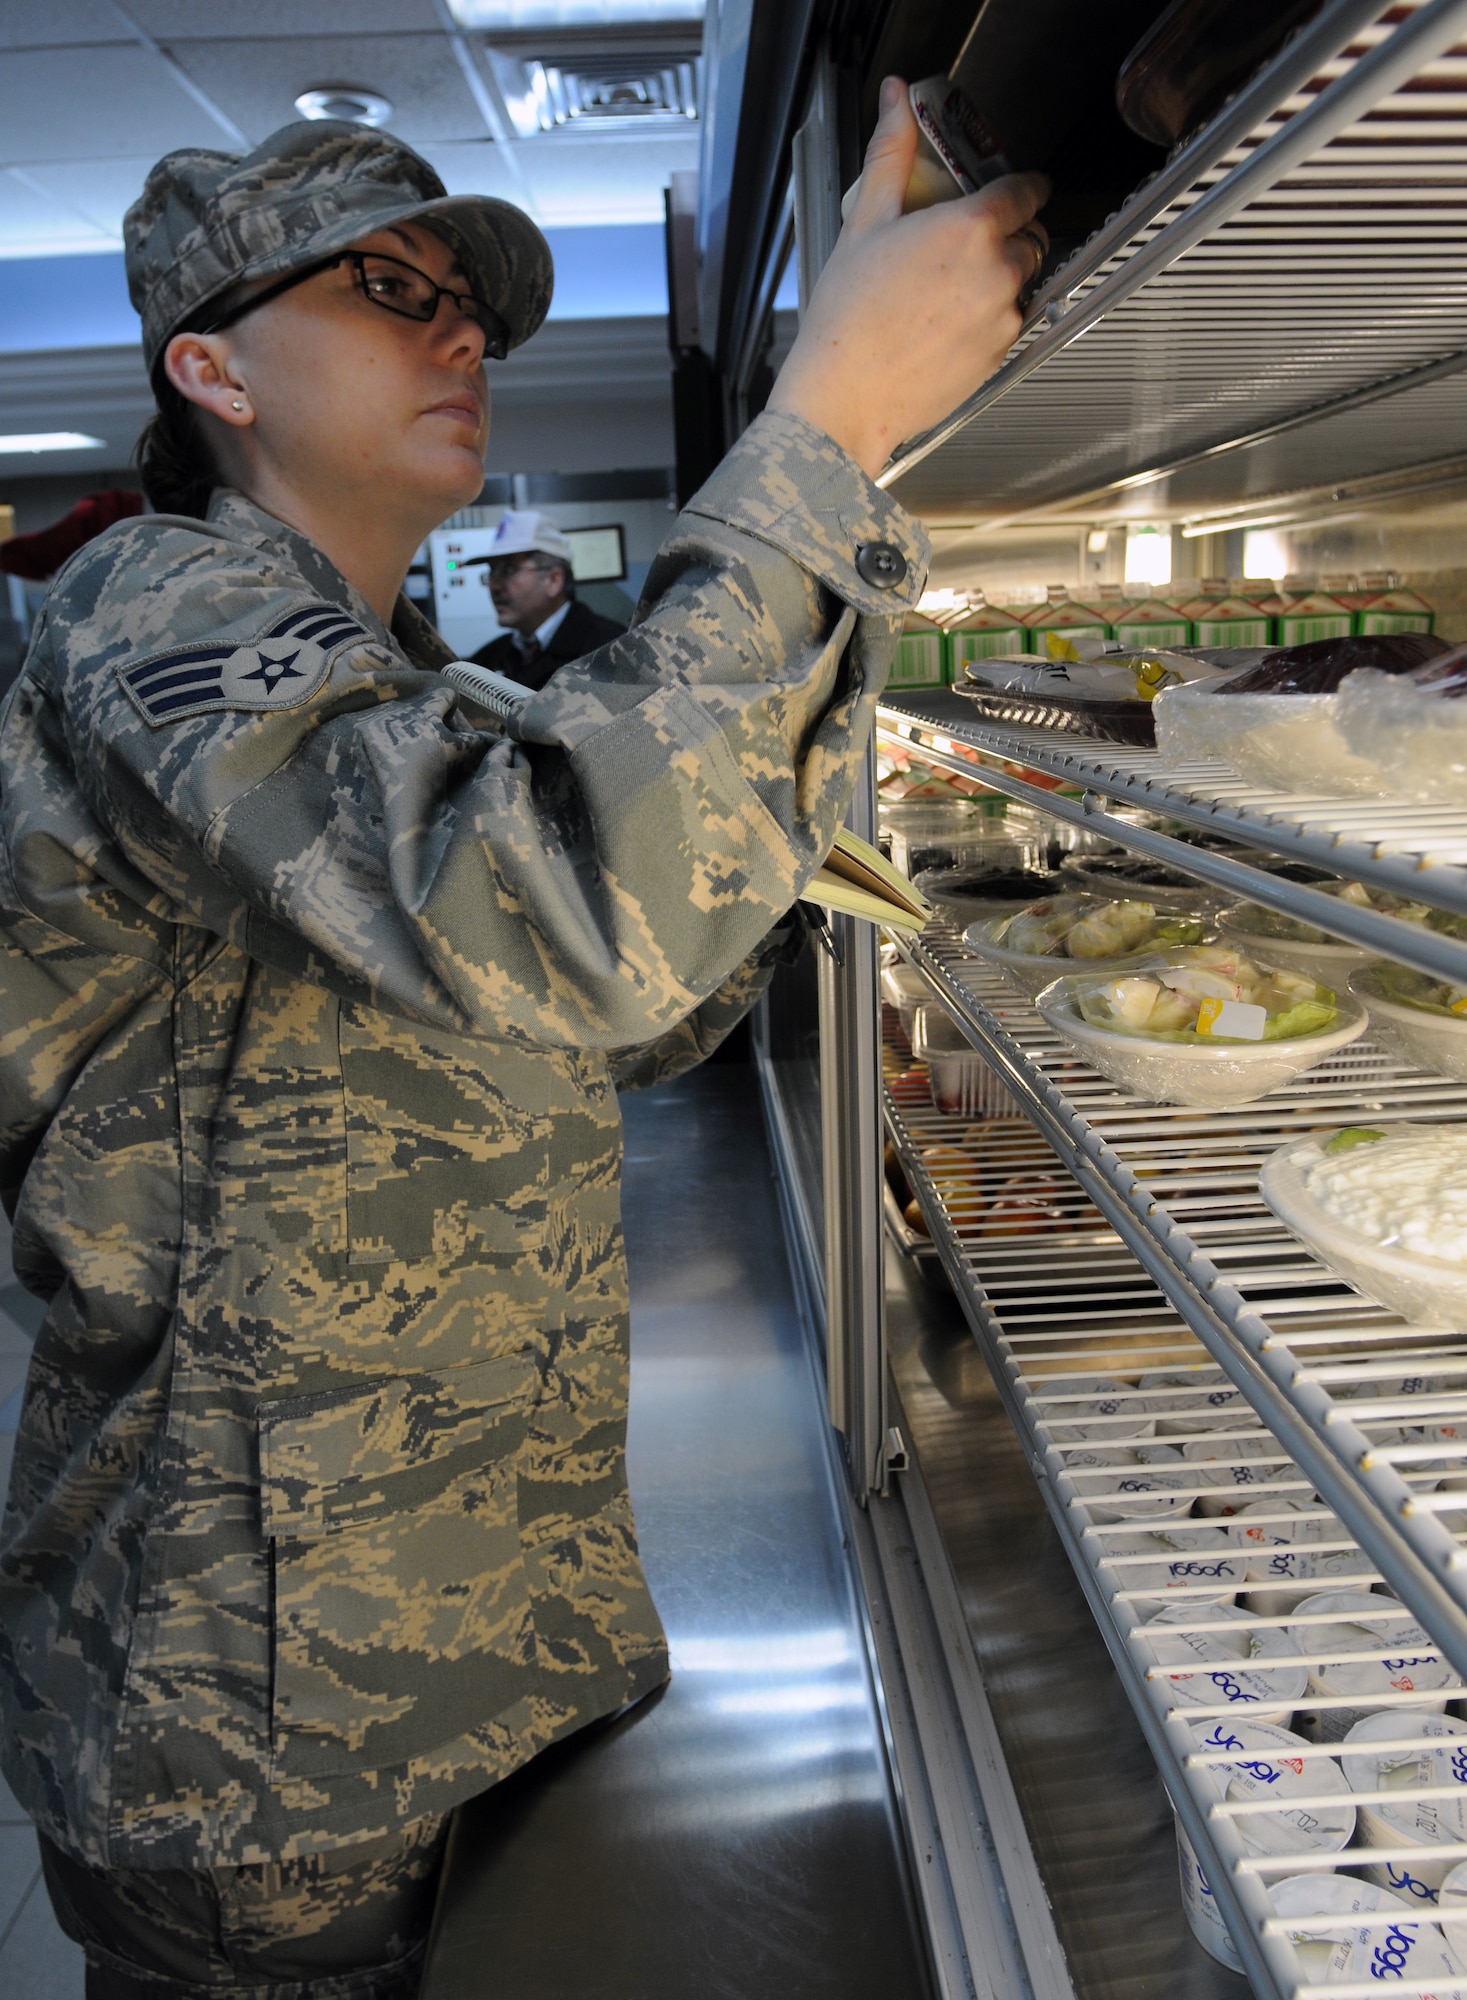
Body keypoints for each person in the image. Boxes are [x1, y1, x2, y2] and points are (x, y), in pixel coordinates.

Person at [0, 79, 1046, 2000]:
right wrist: (824, 427)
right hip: (272, 1714)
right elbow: (556, 906)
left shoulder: (391, 674)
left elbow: (603, 1007)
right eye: (390, 288)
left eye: (469, 303)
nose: (460, 332)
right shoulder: (155, 597)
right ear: (213, 372)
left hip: (446, 1634)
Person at [466, 509, 626, 690]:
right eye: (492, 572)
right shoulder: (487, 661)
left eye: (509, 570)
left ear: (553, 580)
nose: (494, 586)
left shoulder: (610, 650)